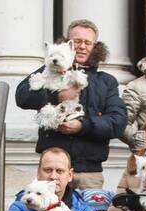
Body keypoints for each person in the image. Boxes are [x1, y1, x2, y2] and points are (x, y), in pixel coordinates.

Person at [15, 19, 128, 189]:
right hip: (52, 170)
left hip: (89, 172)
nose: (82, 46)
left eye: (87, 42)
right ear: (67, 44)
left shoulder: (106, 81)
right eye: (77, 41)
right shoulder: (48, 70)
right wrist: (56, 95)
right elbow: (22, 96)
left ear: (95, 46)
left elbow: (118, 122)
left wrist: (83, 126)